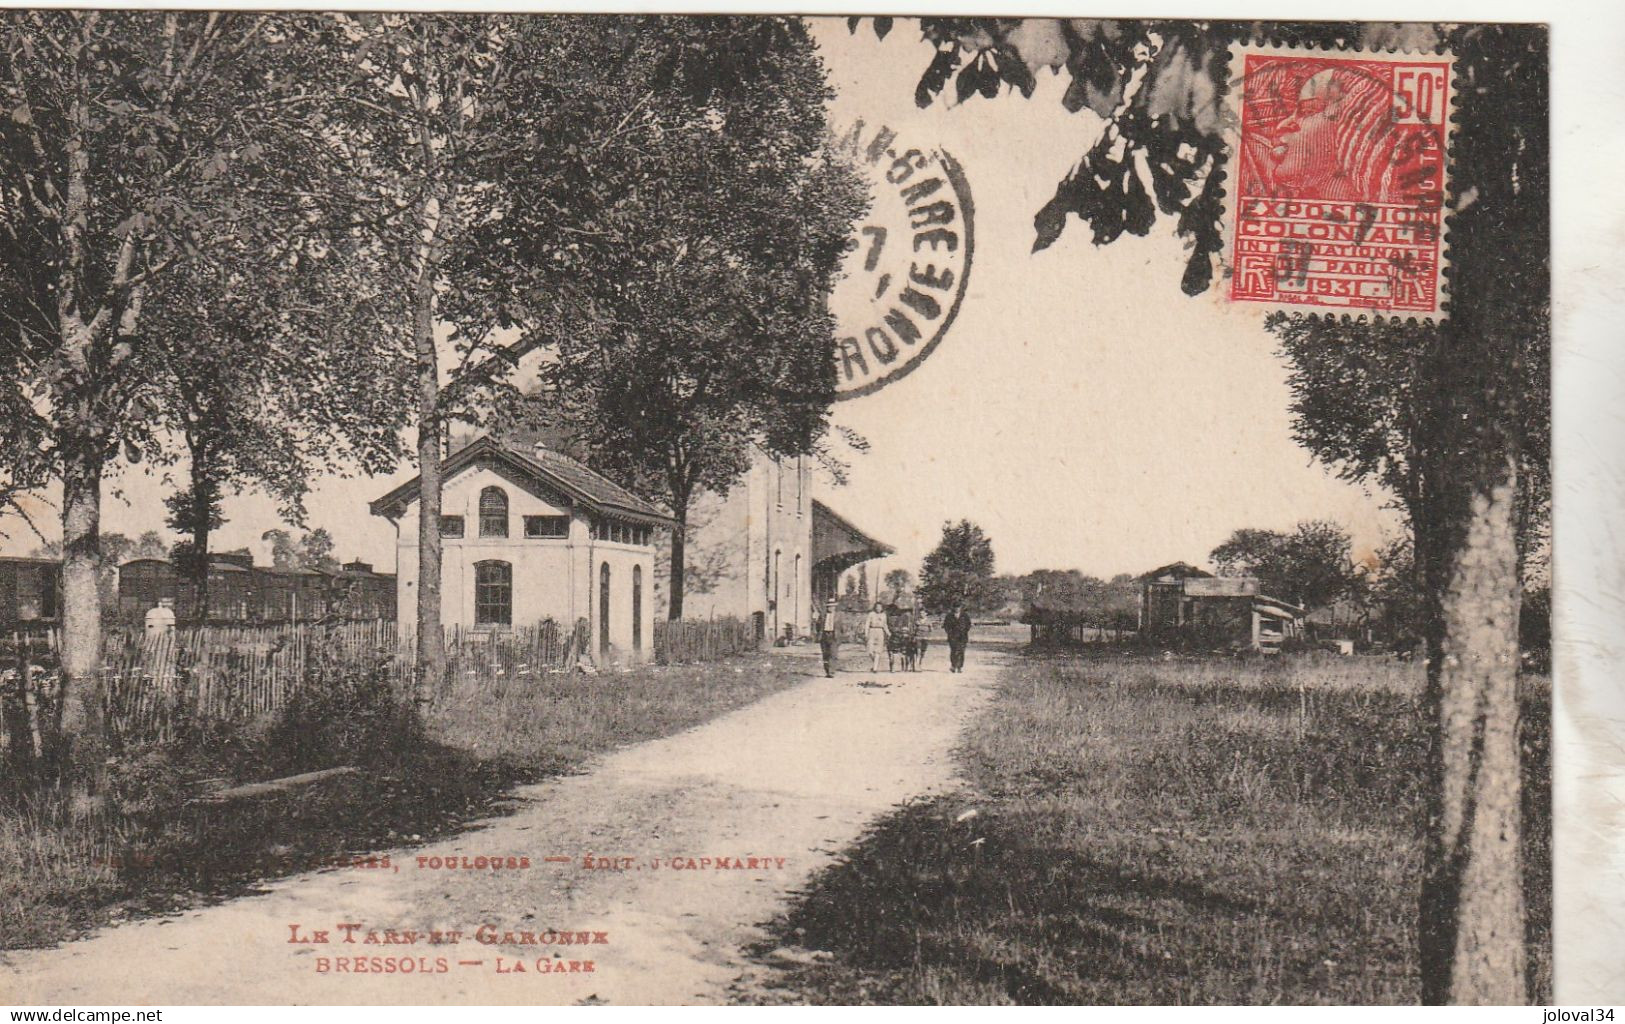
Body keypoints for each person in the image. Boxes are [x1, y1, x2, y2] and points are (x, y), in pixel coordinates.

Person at [943, 601, 973, 673]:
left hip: (962, 637)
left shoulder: (965, 615)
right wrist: (950, 633)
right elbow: (946, 626)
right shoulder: (949, 616)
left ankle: (960, 667)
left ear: (960, 608)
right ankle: (953, 666)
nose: (957, 609)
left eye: (958, 607)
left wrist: (964, 631)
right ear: (953, 608)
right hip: (952, 636)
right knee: (953, 651)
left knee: (961, 651)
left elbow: (968, 624)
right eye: (956, 607)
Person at [864, 601, 890, 673]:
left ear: (882, 608)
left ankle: (875, 668)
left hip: (880, 631)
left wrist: (888, 633)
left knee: (878, 651)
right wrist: (866, 633)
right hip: (872, 631)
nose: (878, 608)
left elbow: (885, 625)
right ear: (875, 607)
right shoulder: (871, 614)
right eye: (877, 607)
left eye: (880, 607)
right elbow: (867, 624)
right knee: (870, 651)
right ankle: (875, 662)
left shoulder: (884, 615)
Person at [818, 597, 840, 678]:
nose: (831, 608)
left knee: (833, 654)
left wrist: (840, 636)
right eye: (829, 606)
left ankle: (831, 672)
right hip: (824, 635)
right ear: (827, 607)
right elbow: (818, 625)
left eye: (832, 606)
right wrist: (819, 634)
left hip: (834, 636)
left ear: (835, 607)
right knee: (825, 655)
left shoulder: (839, 615)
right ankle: (827, 671)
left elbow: (842, 627)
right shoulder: (823, 615)